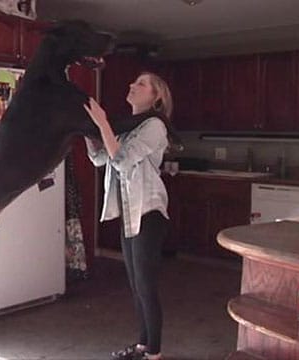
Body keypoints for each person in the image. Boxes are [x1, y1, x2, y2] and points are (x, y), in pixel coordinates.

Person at [83, 72, 173, 360]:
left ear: (155, 97)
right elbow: (101, 158)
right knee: (136, 285)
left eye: (141, 84)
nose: (132, 86)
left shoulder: (155, 126)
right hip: (129, 214)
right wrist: (86, 129)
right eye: (133, 81)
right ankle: (143, 346)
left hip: (148, 213)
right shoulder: (127, 128)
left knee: (145, 285)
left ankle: (154, 354)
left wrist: (102, 124)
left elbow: (120, 160)